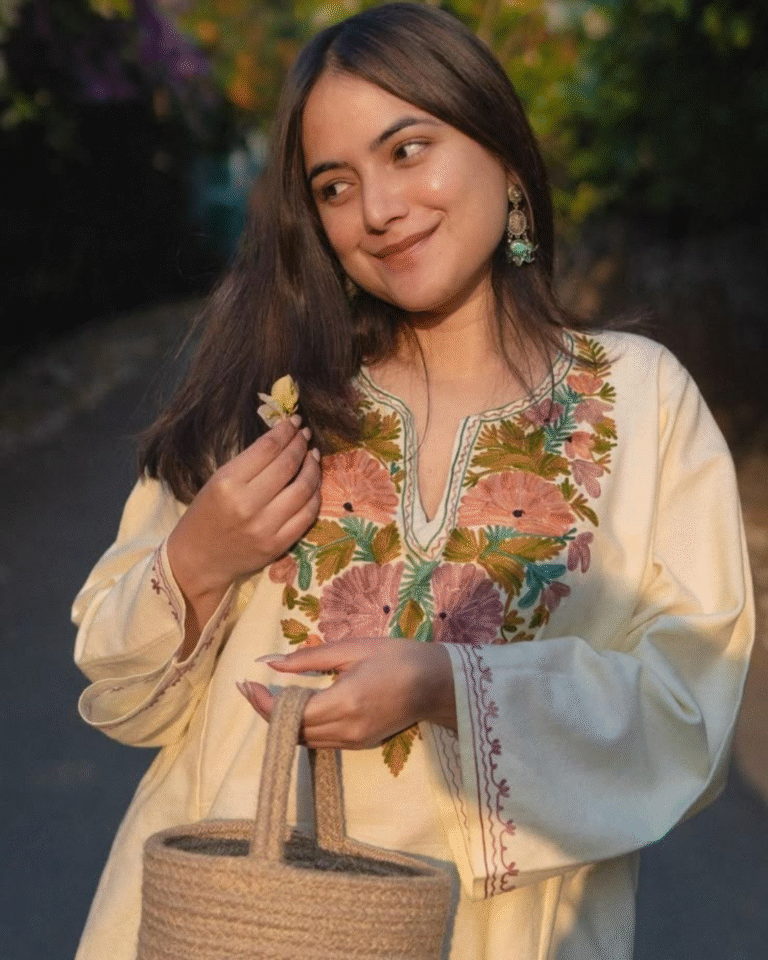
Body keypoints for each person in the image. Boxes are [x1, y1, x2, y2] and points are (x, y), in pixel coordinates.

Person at [72, 4, 754, 958]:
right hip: (237, 926)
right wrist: (194, 561)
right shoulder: (269, 395)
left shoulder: (640, 399)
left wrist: (449, 684)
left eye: (408, 150)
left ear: (504, 153)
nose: (378, 211)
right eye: (336, 185)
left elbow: (692, 710)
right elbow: (123, 698)